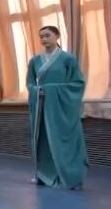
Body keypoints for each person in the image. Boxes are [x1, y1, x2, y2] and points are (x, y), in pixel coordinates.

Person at [27, 25, 88, 189]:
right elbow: (30, 84)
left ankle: (69, 175)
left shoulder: (69, 59)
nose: (44, 39)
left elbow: (78, 83)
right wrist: (37, 91)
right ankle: (44, 174)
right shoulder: (35, 61)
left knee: (66, 141)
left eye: (47, 35)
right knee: (44, 141)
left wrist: (51, 90)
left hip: (63, 110)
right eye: (41, 36)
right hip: (42, 109)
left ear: (57, 36)